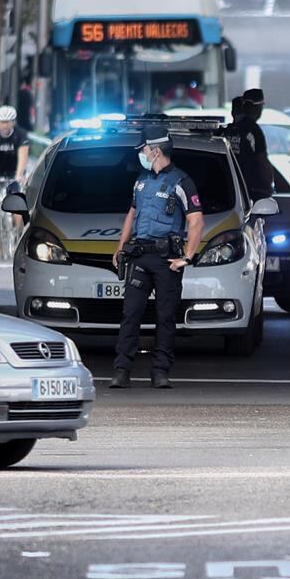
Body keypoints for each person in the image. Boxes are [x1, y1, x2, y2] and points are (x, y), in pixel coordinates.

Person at [110, 124, 205, 390]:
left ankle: (160, 371)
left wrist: (186, 257)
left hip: (167, 260)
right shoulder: (141, 180)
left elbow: (196, 221)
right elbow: (132, 213)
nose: (140, 153)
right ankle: (122, 370)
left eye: (143, 149)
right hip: (139, 256)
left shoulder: (181, 181)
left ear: (154, 150)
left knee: (165, 317)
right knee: (131, 314)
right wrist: (121, 246)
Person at [223, 88, 272, 201]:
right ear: (258, 108)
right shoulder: (253, 130)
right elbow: (261, 160)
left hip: (227, 190)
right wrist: (268, 188)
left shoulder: (228, 131)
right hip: (248, 193)